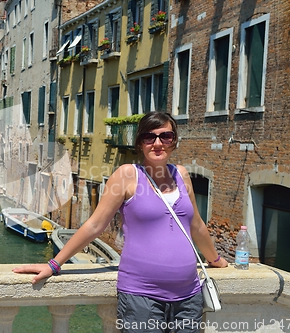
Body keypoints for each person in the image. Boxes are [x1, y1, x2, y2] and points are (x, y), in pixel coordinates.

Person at [13, 111, 228, 332]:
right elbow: (95, 225)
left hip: (188, 298)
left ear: (174, 141)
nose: (157, 143)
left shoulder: (181, 175)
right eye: (149, 137)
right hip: (142, 298)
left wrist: (216, 259)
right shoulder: (127, 175)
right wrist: (54, 264)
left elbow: (196, 225)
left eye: (166, 136)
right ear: (140, 143)